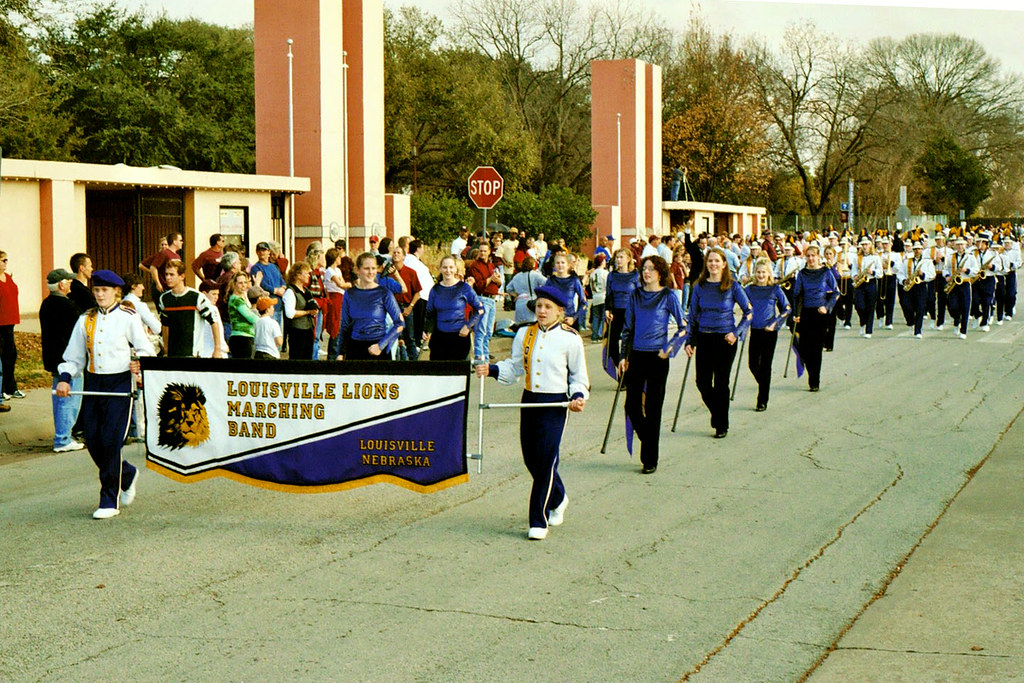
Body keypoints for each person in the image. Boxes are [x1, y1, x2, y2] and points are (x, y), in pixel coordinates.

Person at [475, 286, 589, 540]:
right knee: (532, 460)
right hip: (530, 400)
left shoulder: (571, 339)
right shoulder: (525, 333)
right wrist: (491, 369)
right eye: (539, 306)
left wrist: (578, 396)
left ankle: (538, 520)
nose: (542, 311)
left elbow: (579, 376)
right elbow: (515, 367)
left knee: (546, 460)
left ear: (559, 311)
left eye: (548, 307)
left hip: (556, 404)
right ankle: (558, 498)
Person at [56, 270, 155, 519]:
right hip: (93, 383)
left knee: (111, 440)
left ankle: (109, 499)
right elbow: (74, 356)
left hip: (119, 384)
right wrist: (65, 378)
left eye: (105, 290)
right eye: (97, 290)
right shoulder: (86, 319)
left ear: (116, 292)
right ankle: (127, 474)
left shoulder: (128, 317)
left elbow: (146, 349)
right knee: (93, 440)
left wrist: (139, 363)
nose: (100, 295)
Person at [618, 255, 687, 474]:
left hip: (658, 357)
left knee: (653, 408)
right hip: (637, 355)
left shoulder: (668, 296)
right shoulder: (635, 295)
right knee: (631, 406)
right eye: (644, 268)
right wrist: (623, 355)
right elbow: (628, 327)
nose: (646, 272)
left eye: (651, 269)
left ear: (660, 273)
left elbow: (684, 327)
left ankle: (650, 459)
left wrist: (670, 347)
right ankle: (648, 440)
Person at [685, 247, 753, 439]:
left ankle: (721, 424)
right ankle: (718, 413)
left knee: (721, 383)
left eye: (717, 261)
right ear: (706, 264)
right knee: (702, 382)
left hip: (725, 339)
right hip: (704, 337)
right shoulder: (699, 286)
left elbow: (749, 312)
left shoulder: (733, 286)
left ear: (724, 264)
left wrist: (736, 333)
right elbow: (693, 316)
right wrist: (690, 340)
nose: (713, 264)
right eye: (710, 261)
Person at [39, 268, 85, 451]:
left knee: (59, 398)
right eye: (68, 281)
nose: (71, 283)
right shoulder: (67, 306)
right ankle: (63, 438)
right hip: (68, 359)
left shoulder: (46, 304)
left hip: (53, 357)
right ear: (61, 284)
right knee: (69, 399)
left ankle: (62, 434)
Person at [338, 253, 404, 361]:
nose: (371, 272)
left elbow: (400, 323)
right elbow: (344, 326)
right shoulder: (349, 294)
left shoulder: (384, 293)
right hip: (354, 350)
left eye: (373, 268)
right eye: (366, 268)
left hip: (377, 351)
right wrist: (340, 353)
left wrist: (381, 345)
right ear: (357, 270)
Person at [744, 259, 790, 412]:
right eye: (758, 272)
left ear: (769, 273)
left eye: (763, 272)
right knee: (752, 364)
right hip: (755, 330)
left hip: (769, 332)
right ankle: (764, 384)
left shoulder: (775, 289)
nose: (761, 275)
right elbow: (744, 307)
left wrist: (775, 323)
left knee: (765, 365)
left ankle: (762, 400)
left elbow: (787, 308)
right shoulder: (749, 290)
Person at [792, 245, 839, 392]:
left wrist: (827, 307)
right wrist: (796, 313)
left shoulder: (825, 272)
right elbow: (797, 294)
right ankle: (811, 372)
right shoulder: (802, 273)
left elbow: (836, 292)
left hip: (820, 313)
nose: (811, 259)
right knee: (804, 348)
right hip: (805, 312)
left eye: (813, 256)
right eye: (808, 256)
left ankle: (814, 381)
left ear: (818, 257)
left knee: (816, 348)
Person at [423, 255, 485, 361]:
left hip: (459, 338)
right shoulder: (435, 290)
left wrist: (468, 326)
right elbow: (430, 313)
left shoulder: (464, 288)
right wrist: (426, 330)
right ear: (440, 269)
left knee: (458, 371)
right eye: (445, 267)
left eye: (451, 267)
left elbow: (480, 309)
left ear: (455, 269)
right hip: (439, 339)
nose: (448, 271)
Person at [159, 260, 225, 358]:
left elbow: (214, 321)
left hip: (193, 354)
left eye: (172, 274)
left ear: (182, 276)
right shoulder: (164, 299)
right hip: (173, 355)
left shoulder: (196, 297)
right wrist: (166, 349)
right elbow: (165, 325)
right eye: (166, 274)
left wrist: (217, 349)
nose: (168, 278)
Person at [604, 248, 640, 370]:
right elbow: (608, 294)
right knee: (612, 342)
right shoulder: (611, 275)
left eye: (621, 257)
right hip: (616, 311)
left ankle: (629, 368)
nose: (618, 260)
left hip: (630, 311)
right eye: (617, 257)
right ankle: (619, 366)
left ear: (628, 259)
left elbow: (640, 294)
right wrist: (607, 309)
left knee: (629, 341)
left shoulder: (635, 275)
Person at [466, 241, 502, 361]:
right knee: (480, 331)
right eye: (481, 251)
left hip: (492, 300)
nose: (482, 253)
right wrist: (490, 279)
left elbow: (498, 284)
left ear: (489, 252)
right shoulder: (475, 266)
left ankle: (485, 357)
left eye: (485, 251)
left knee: (489, 331)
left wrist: (496, 280)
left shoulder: (491, 266)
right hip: (482, 299)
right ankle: (479, 358)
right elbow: (479, 286)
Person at [390, 246, 423, 360]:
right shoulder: (388, 273)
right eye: (394, 252)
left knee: (409, 337)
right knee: (394, 336)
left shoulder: (411, 272)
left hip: (406, 307)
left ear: (404, 256)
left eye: (398, 252)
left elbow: (417, 293)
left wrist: (410, 307)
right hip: (392, 308)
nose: (396, 254)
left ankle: (414, 362)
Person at [943, 236, 978, 339]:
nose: (960, 246)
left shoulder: (970, 257)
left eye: (962, 244)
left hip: (965, 283)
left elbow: (976, 270)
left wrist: (966, 270)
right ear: (955, 245)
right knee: (952, 306)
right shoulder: (951, 256)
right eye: (958, 244)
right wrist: (947, 276)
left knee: (965, 307)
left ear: (965, 245)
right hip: (954, 284)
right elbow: (946, 268)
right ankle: (956, 320)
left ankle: (963, 331)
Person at [282, 262, 318, 360]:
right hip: (297, 331)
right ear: (298, 275)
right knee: (297, 358)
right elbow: (290, 313)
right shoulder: (290, 292)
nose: (309, 275)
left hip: (308, 329)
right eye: (306, 273)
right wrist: (307, 312)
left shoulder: (306, 291)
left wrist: (314, 310)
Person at [0, 250, 23, 399]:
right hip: (0, 323)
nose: (5, 263)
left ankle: (11, 387)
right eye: (3, 260)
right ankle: (1, 389)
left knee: (10, 355)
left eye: (6, 260)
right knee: (1, 357)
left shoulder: (7, 277)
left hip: (10, 322)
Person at [544, 251, 588, 330]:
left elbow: (584, 302)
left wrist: (574, 318)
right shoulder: (550, 281)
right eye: (557, 263)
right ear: (554, 265)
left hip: (569, 321)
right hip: (554, 321)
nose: (560, 265)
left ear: (568, 265)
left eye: (563, 263)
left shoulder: (574, 280)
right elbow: (544, 300)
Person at [851, 237, 881, 338]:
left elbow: (880, 273)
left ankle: (869, 330)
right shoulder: (857, 257)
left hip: (871, 282)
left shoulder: (875, 257)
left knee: (870, 306)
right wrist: (855, 276)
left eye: (866, 244)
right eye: (863, 245)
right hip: (860, 283)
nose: (864, 247)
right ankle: (862, 321)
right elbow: (853, 270)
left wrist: (872, 272)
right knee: (859, 305)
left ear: (870, 245)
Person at [323, 247, 350, 359]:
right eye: (338, 257)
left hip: (341, 297)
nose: (340, 259)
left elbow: (343, 283)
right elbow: (341, 284)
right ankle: (332, 355)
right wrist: (351, 284)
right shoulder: (329, 271)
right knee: (335, 327)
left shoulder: (338, 270)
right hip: (335, 298)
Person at [226, 271, 259, 358]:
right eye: (240, 283)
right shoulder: (236, 300)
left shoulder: (242, 297)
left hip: (246, 337)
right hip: (241, 337)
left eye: (245, 282)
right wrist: (263, 321)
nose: (244, 285)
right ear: (234, 284)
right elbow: (251, 317)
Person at [147, 232, 184, 300]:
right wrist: (158, 283)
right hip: (163, 288)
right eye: (180, 240)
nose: (182, 242)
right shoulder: (165, 253)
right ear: (174, 242)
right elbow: (153, 267)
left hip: (171, 288)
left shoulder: (177, 256)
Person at [587, 255, 609, 340]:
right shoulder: (605, 273)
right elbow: (607, 285)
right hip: (603, 295)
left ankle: (595, 334)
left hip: (595, 296)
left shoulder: (592, 273)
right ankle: (600, 333)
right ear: (602, 262)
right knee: (603, 317)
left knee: (596, 317)